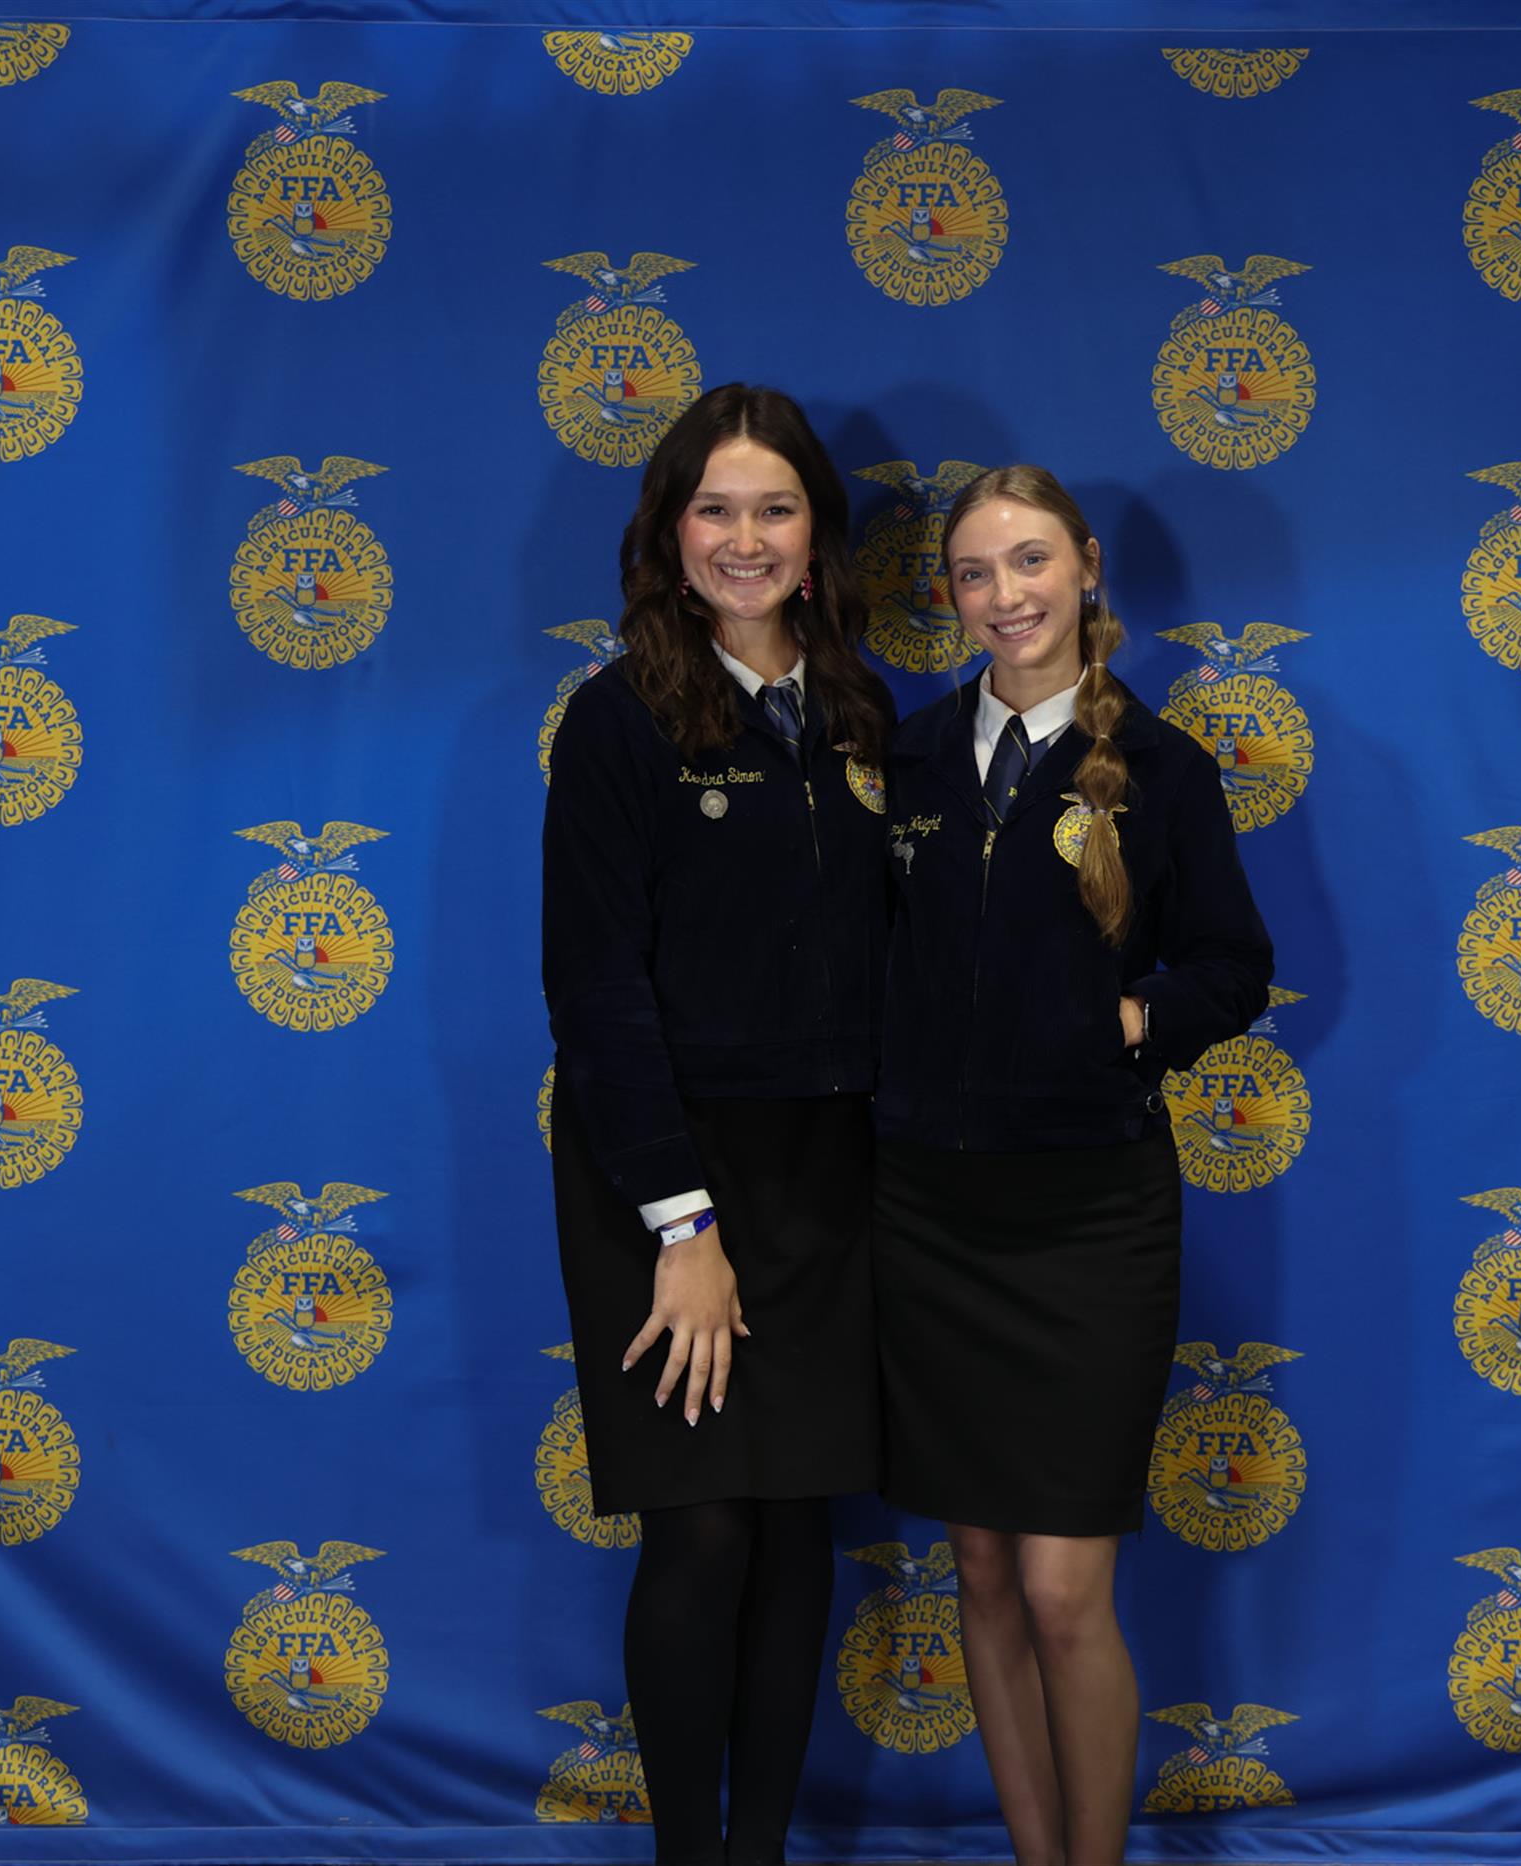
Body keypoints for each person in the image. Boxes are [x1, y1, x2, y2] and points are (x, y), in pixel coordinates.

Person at [870, 465, 1273, 1866]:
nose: (1006, 596)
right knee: (980, 1570)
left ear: (1088, 566)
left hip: (1091, 1220)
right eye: (975, 572)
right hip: (927, 1216)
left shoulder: (1164, 769)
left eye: (1031, 561)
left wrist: (1127, 1021)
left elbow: (1234, 966)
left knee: (1058, 1591)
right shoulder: (906, 760)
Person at [541, 383, 895, 1866]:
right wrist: (681, 1223)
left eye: (776, 508)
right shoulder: (617, 719)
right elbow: (595, 992)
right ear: (668, 533)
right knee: (702, 1526)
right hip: (666, 1174)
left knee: (798, 1526)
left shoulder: (867, 713)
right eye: (714, 509)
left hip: (830, 1177)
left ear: (818, 534)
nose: (745, 539)